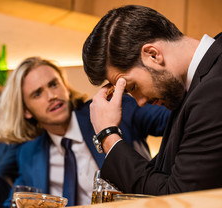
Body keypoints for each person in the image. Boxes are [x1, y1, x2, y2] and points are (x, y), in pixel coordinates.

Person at [0, 56, 169, 208]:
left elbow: (177, 120)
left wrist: (158, 170)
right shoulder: (29, 153)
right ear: (26, 110)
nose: (52, 96)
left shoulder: (112, 108)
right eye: (37, 93)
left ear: (66, 88)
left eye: (53, 84)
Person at [82, 5, 222, 195]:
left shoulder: (213, 89)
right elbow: (160, 177)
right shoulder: (192, 88)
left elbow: (175, 199)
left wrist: (108, 136)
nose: (139, 102)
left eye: (133, 87)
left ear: (153, 54)